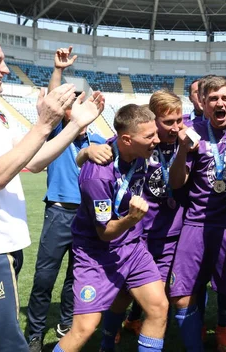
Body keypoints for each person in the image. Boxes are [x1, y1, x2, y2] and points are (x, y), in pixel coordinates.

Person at [0, 39, 104, 352]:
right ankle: (36, 333)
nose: (5, 69)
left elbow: (35, 161)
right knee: (6, 341)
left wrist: (77, 125)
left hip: (7, 243)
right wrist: (46, 122)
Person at [54, 105, 168, 352]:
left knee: (158, 307)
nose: (156, 140)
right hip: (97, 253)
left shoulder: (132, 150)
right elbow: (104, 233)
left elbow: (80, 155)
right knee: (84, 327)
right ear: (126, 140)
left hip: (133, 248)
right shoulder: (98, 176)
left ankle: (108, 345)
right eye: (149, 136)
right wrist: (131, 218)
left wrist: (84, 151)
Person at [26, 46, 106, 352]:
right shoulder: (58, 133)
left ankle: (66, 321)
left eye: (81, 103)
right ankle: (34, 333)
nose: (77, 109)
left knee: (76, 276)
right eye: (72, 105)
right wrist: (58, 71)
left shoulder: (98, 140)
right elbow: (52, 102)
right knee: (45, 277)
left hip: (85, 217)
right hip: (59, 212)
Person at [168, 77, 226, 352]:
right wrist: (181, 152)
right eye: (213, 99)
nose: (219, 103)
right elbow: (177, 183)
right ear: (204, 103)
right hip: (196, 223)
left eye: (225, 97)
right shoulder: (194, 132)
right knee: (181, 297)